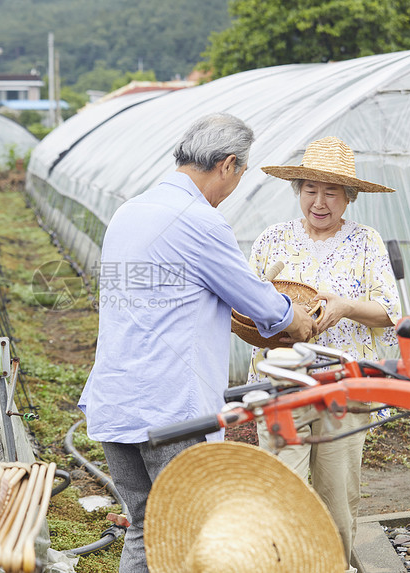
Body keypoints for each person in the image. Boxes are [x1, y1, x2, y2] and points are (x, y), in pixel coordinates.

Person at [77, 112, 317, 573]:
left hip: (115, 401)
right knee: (189, 531)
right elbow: (265, 308)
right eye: (241, 173)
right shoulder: (200, 222)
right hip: (169, 410)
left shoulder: (131, 211)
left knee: (146, 524)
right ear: (228, 164)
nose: (236, 184)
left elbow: (167, 297)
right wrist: (300, 318)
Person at [248, 136, 402, 571]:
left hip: (344, 388)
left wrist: (346, 306)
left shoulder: (366, 242)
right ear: (297, 190)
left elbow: (390, 312)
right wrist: (271, 331)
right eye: (310, 189)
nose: (320, 201)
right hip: (280, 385)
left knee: (337, 498)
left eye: (331, 191)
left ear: (349, 196)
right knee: (284, 492)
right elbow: (245, 305)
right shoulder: (272, 240)